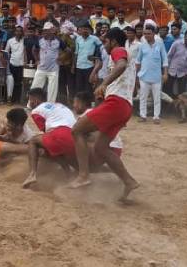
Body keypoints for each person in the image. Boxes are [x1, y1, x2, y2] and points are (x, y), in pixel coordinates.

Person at [70, 28, 139, 198]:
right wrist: (104, 85)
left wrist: (104, 84)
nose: (104, 46)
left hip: (116, 103)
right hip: (125, 106)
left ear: (113, 41)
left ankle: (83, 175)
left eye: (105, 42)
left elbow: (121, 65)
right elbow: (132, 84)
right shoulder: (125, 54)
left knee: (77, 130)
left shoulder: (118, 50)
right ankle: (129, 180)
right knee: (101, 147)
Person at [22, 87, 78, 189]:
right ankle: (69, 174)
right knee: (51, 146)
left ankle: (32, 174)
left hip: (60, 134)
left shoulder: (36, 111)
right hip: (75, 138)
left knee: (33, 141)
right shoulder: (60, 105)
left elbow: (45, 131)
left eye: (30, 100)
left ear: (35, 100)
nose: (29, 103)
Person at [135, 26, 168, 123]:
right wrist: (136, 75)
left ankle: (156, 117)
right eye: (145, 34)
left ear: (154, 34)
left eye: (148, 33)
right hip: (144, 76)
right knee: (143, 97)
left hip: (157, 76)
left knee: (156, 97)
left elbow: (165, 59)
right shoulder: (142, 45)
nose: (146, 35)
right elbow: (138, 61)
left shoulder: (160, 44)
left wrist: (165, 73)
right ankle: (143, 115)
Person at [31, 22, 65, 103]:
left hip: (53, 69)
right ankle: (31, 104)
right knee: (35, 86)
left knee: (52, 89)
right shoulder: (39, 40)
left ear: (52, 31)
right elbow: (34, 49)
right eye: (44, 31)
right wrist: (37, 60)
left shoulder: (58, 40)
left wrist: (61, 58)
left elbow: (68, 51)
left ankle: (50, 105)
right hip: (41, 68)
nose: (45, 32)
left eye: (47, 30)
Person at [166, 30, 187, 97]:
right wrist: (166, 69)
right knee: (168, 90)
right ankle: (168, 105)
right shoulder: (176, 43)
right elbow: (169, 56)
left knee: (181, 92)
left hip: (183, 73)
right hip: (171, 71)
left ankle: (179, 106)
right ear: (184, 36)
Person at [73, 23, 102, 95]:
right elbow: (76, 53)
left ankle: (89, 104)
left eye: (87, 29)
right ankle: (81, 104)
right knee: (79, 87)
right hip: (79, 66)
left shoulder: (95, 39)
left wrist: (95, 57)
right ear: (80, 30)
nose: (85, 30)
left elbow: (101, 49)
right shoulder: (78, 39)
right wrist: (73, 66)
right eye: (83, 29)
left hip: (90, 66)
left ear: (90, 30)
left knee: (89, 87)